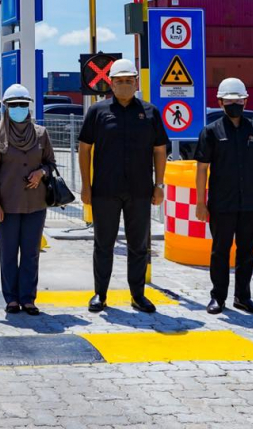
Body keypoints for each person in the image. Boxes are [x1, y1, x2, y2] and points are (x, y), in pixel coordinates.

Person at [78, 58, 169, 313]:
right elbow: (84, 149)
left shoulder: (150, 112)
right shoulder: (98, 112)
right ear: (111, 84)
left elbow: (160, 150)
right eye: (120, 81)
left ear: (136, 83)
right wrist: (86, 185)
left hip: (140, 190)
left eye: (129, 81)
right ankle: (100, 294)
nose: (125, 85)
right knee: (103, 243)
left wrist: (159, 184)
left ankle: (137, 295)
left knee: (139, 244)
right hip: (104, 190)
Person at [194, 77, 253, 315]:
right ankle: (217, 297)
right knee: (220, 251)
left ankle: (243, 297)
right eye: (229, 101)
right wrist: (201, 203)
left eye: (238, 100)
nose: (234, 104)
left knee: (246, 252)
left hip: (252, 203)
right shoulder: (211, 131)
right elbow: (202, 169)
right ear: (219, 102)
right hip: (222, 203)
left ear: (246, 100)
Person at [0, 84, 53, 315]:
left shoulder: (41, 134)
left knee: (31, 253)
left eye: (23, 105)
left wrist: (41, 172)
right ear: (6, 107)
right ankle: (12, 298)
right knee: (9, 252)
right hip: (7, 204)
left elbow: (51, 164)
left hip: (35, 204)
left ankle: (28, 298)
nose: (19, 109)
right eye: (14, 105)